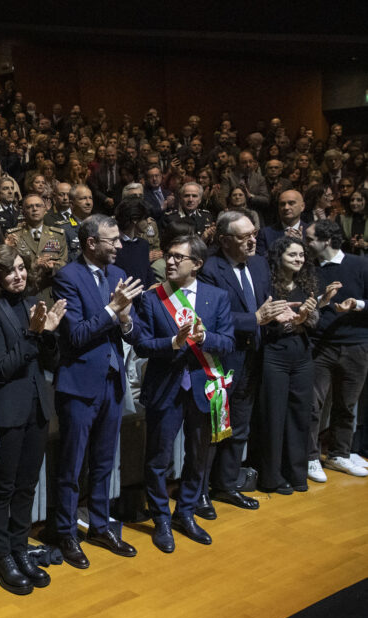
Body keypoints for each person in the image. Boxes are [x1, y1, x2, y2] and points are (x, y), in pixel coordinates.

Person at [50, 214, 143, 568]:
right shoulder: (67, 277)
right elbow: (75, 335)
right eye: (112, 240)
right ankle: (66, 532)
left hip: (112, 382)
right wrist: (112, 309)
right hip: (78, 385)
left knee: (105, 463)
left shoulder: (117, 274)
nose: (119, 245)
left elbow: (132, 332)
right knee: (72, 466)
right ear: (91, 243)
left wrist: (126, 318)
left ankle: (101, 526)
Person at [134, 234, 235, 553]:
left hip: (204, 387)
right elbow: (141, 345)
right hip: (166, 388)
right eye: (169, 255)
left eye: (179, 257)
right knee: (158, 459)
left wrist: (205, 338)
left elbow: (228, 342)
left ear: (197, 264)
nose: (171, 261)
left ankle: (186, 512)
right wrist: (173, 343)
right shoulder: (152, 298)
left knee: (199, 456)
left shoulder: (216, 297)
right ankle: (161, 519)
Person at [0, 246, 64, 594]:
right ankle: (1, 557)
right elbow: (0, 369)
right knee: (3, 489)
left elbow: (51, 362)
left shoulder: (32, 304)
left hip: (37, 408)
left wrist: (49, 333)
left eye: (21, 268)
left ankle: (20, 548)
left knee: (27, 486)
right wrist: (32, 334)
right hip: (7, 413)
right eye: (10, 270)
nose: (19, 275)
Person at [199, 211, 290, 514]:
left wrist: (282, 314)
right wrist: (254, 319)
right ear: (225, 240)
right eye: (244, 236)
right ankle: (198, 493)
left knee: (239, 426)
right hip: (221, 359)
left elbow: (266, 304)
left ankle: (226, 484)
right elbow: (210, 317)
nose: (252, 241)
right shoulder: (209, 268)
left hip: (253, 357)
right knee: (213, 429)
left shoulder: (260, 263)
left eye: (254, 234)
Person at [259, 236, 337, 491]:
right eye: (292, 254)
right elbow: (262, 324)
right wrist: (291, 321)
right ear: (278, 257)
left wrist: (306, 316)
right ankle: (272, 477)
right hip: (274, 353)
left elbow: (314, 321)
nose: (298, 259)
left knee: (300, 414)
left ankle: (296, 474)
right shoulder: (267, 285)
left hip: (302, 355)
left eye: (301, 255)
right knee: (274, 417)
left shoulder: (306, 284)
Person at [306, 219, 368, 480]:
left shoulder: (360, 264)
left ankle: (339, 454)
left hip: (356, 345)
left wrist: (357, 305)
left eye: (310, 239)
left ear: (326, 240)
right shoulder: (309, 269)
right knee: (312, 404)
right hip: (320, 345)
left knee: (346, 404)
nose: (306, 243)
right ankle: (310, 457)